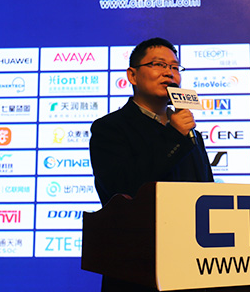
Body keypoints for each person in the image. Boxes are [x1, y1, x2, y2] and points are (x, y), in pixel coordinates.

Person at [89, 37, 214, 292]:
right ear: (132, 75)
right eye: (158, 64)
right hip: (137, 265)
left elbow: (205, 190)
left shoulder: (191, 133)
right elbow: (123, 186)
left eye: (175, 67)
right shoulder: (109, 128)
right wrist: (174, 136)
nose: (169, 73)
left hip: (192, 260)